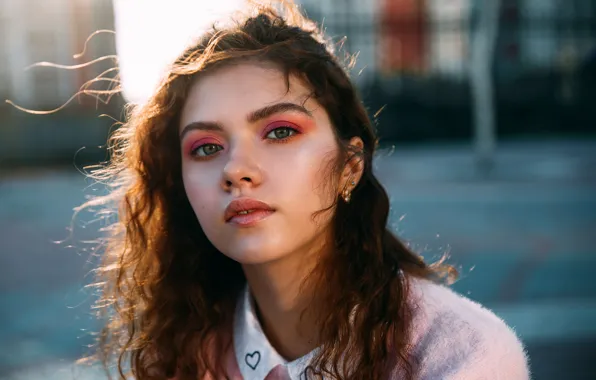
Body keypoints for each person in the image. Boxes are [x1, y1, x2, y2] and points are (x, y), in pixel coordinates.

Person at [85, 1, 530, 379]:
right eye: (206, 147)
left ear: (349, 166)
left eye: (279, 132)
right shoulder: (184, 350)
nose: (236, 169)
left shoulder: (459, 355)